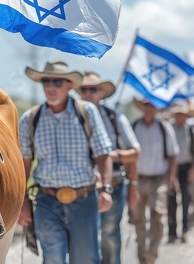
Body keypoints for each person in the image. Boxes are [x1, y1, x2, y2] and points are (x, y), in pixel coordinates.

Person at [17, 61, 114, 264]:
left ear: (69, 85)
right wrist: (22, 201)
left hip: (84, 200)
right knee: (52, 259)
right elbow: (24, 163)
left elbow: (103, 154)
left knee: (86, 259)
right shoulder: (30, 119)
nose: (51, 87)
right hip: (46, 201)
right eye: (46, 81)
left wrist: (105, 189)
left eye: (57, 82)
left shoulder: (86, 113)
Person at [77, 71, 140, 264]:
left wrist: (112, 156)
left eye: (92, 89)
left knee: (109, 235)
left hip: (114, 183)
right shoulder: (72, 117)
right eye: (84, 89)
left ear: (101, 93)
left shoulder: (114, 117)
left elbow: (135, 152)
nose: (88, 93)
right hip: (82, 187)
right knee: (84, 237)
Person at [129, 97, 179, 264]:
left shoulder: (165, 128)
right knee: (138, 218)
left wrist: (172, 178)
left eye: (152, 105)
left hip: (159, 179)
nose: (149, 108)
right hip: (138, 179)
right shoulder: (134, 127)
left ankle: (152, 253)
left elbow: (173, 156)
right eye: (146, 105)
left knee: (157, 214)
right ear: (142, 107)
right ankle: (142, 254)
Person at [167, 100, 194, 244]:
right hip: (171, 169)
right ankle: (172, 232)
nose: (179, 117)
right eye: (177, 114)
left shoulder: (190, 130)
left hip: (185, 168)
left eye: (182, 114)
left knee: (186, 199)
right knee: (171, 200)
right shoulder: (168, 129)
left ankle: (185, 229)